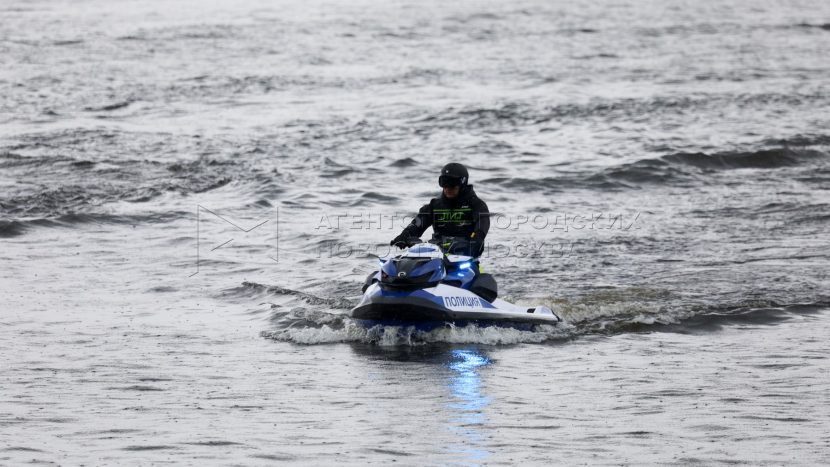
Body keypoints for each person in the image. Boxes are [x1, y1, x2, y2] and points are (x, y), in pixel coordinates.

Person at [390, 162, 489, 257]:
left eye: (452, 184)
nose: (447, 188)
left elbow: (482, 226)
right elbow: (417, 224)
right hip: (437, 256)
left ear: (462, 183)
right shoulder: (434, 206)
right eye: (444, 183)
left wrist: (477, 239)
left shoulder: (477, 205)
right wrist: (405, 235)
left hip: (465, 258)